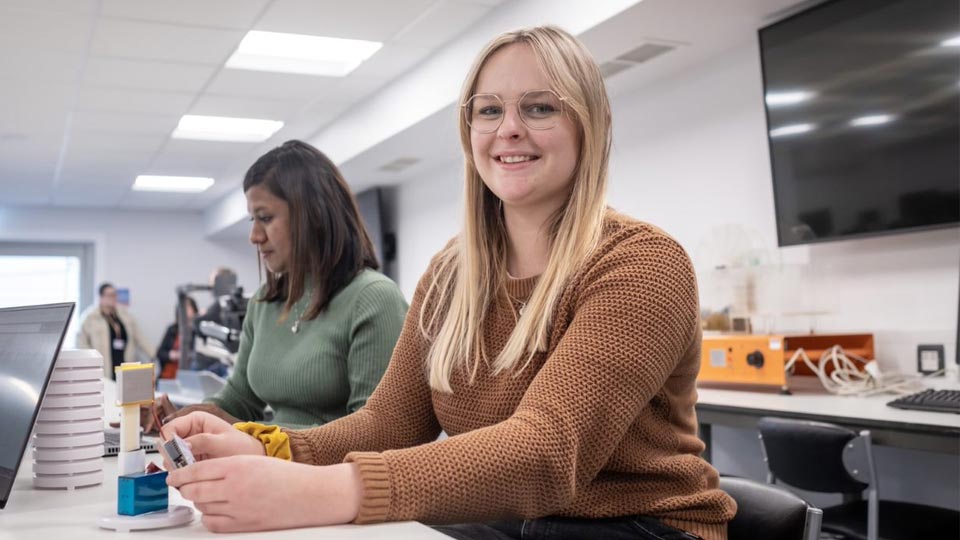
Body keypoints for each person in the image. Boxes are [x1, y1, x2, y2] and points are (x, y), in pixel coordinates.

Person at [161, 26, 736, 539]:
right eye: (488, 111)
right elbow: (391, 423)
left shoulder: (642, 265)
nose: (509, 129)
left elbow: (546, 453)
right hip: (513, 519)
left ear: (590, 124)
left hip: (640, 525)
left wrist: (313, 490)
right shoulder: (450, 274)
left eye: (539, 108)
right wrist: (266, 446)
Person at [151, 140, 408, 430]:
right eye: (253, 219)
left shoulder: (373, 300)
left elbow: (373, 432)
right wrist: (192, 417)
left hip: (330, 474)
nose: (254, 235)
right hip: (271, 466)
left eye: (265, 218)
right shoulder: (264, 302)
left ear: (313, 216)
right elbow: (240, 398)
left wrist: (254, 436)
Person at [77, 282, 155, 379]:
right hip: (103, 367)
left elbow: (140, 337)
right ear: (101, 297)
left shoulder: (125, 315)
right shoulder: (90, 318)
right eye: (109, 295)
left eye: (114, 294)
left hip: (124, 365)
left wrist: (154, 354)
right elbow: (81, 344)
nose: (113, 297)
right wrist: (90, 366)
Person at [156, 296, 199, 380]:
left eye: (188, 306)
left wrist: (184, 356)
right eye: (182, 307)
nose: (185, 310)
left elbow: (199, 356)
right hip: (167, 376)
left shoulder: (198, 331)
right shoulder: (172, 329)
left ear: (194, 309)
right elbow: (160, 353)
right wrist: (171, 355)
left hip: (189, 376)